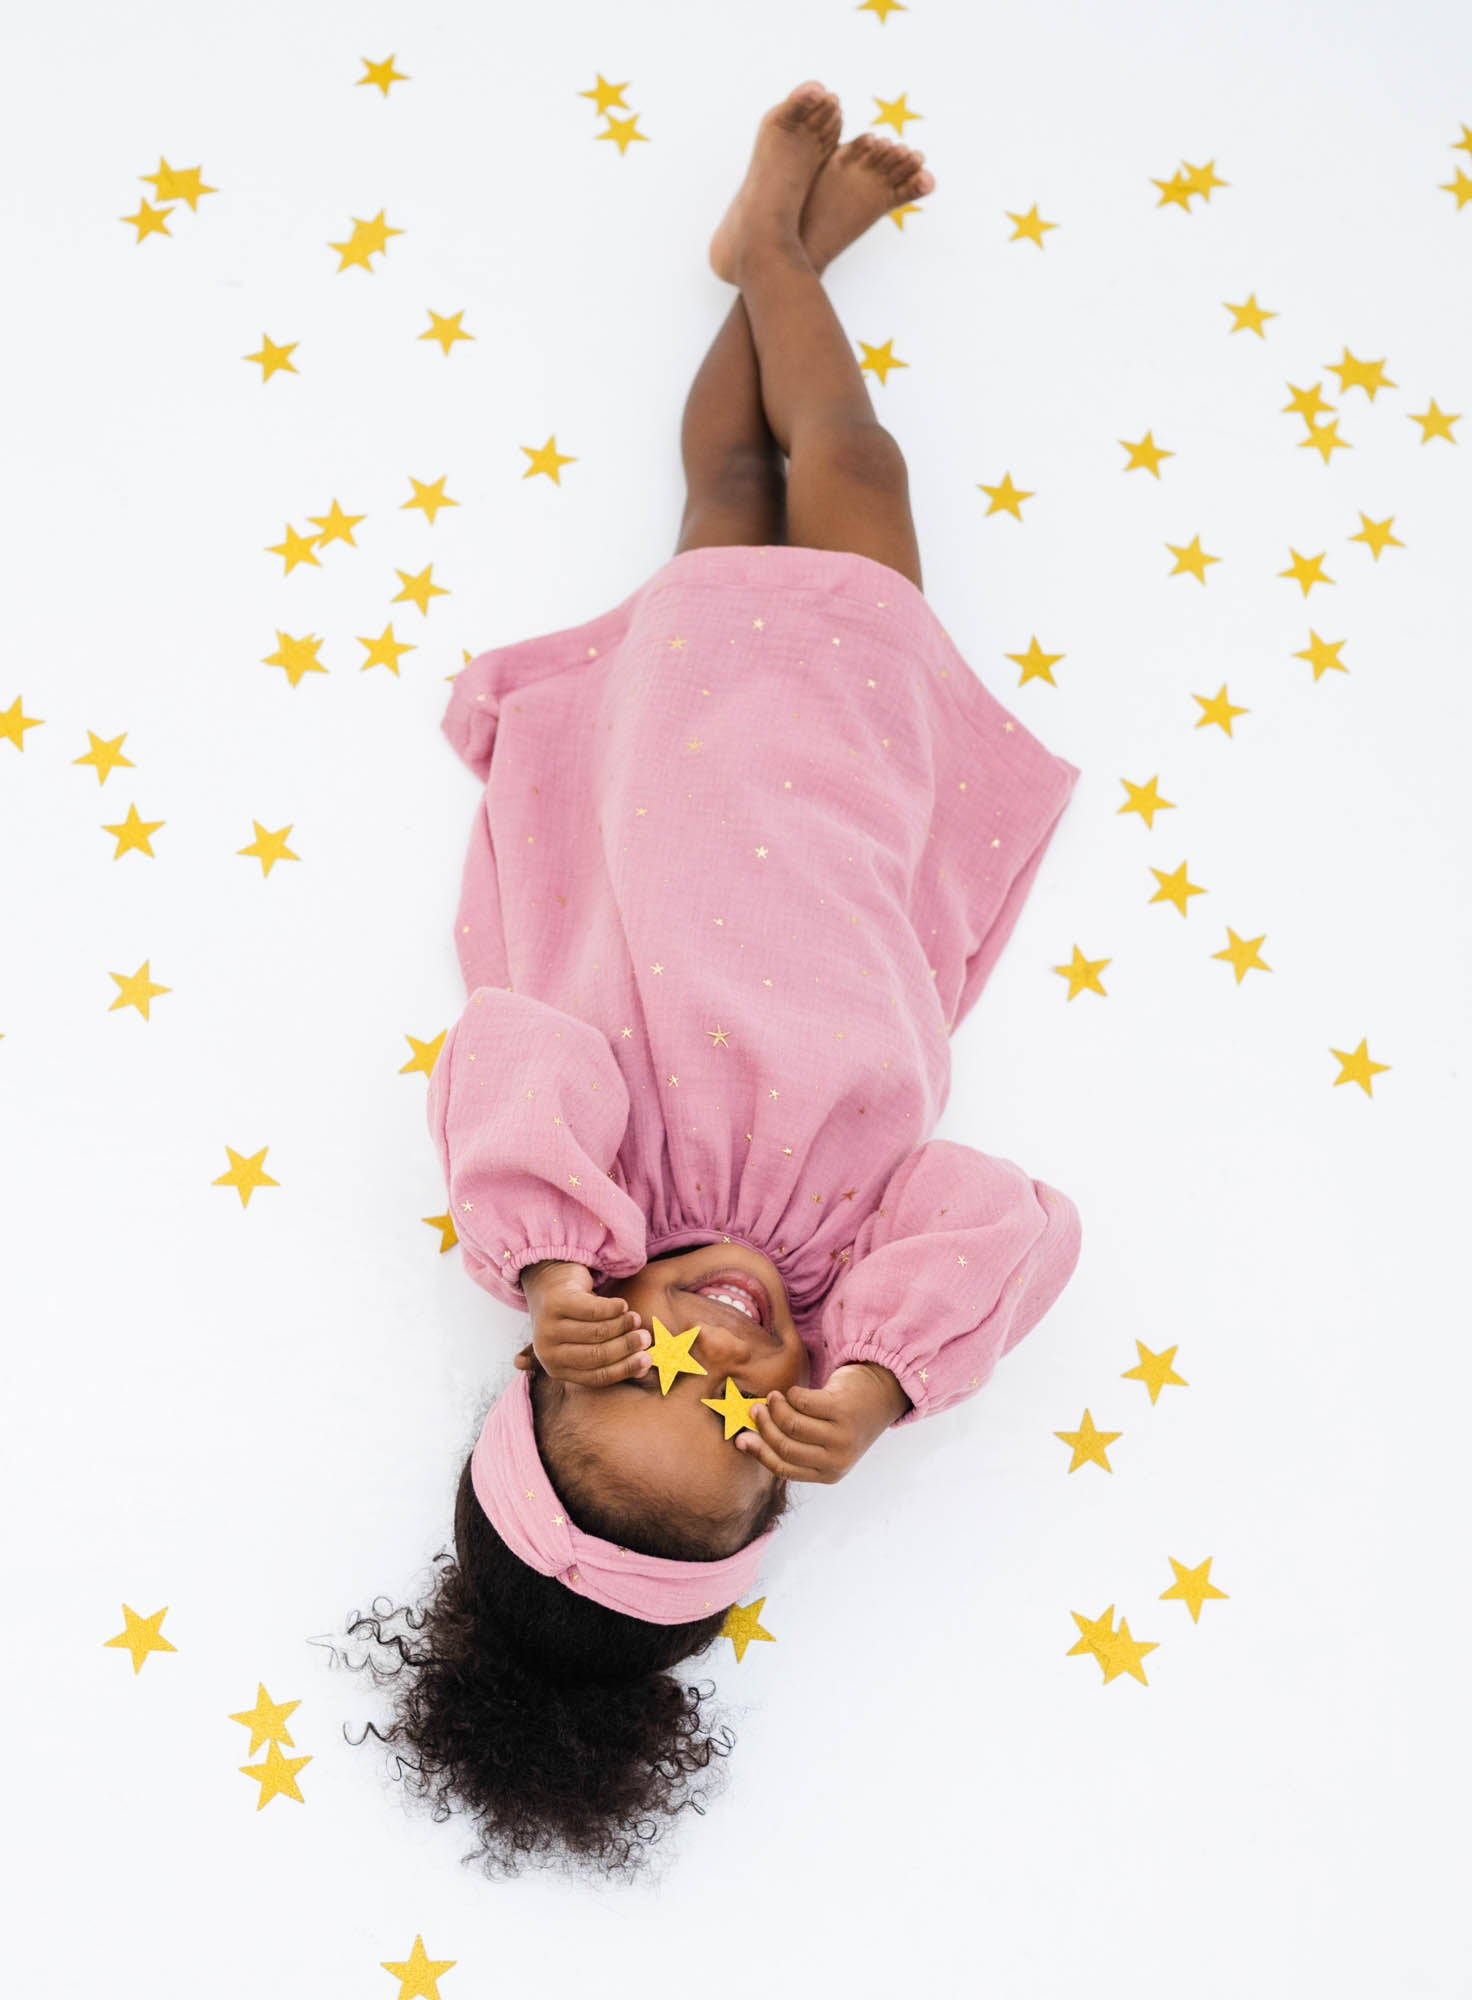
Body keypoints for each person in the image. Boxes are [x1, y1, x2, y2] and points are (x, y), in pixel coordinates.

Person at [349, 80, 1084, 1879]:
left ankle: (772, 259)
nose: (726, 1353)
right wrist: (891, 1373)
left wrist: (542, 1257)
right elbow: (1013, 1215)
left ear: (560, 1359)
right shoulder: (858, 1258)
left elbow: (508, 1048)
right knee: (834, 482)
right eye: (753, 1419)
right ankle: (775, 261)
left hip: (676, 753)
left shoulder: (598, 1186)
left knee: (742, 493)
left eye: (644, 1370)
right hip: (855, 777)